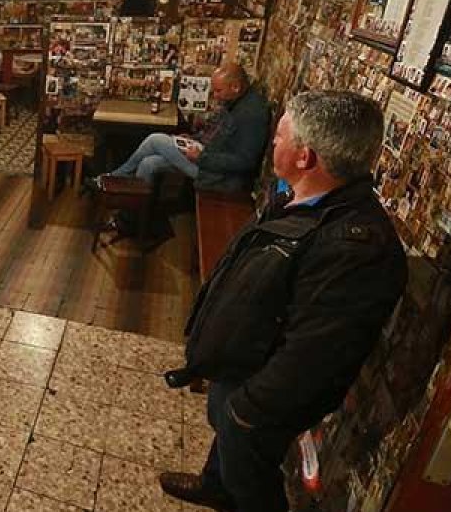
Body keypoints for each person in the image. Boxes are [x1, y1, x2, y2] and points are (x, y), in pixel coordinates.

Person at [160, 90, 407, 512]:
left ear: (305, 157)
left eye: (279, 137)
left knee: (252, 478)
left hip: (260, 393)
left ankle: (230, 485)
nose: (272, 144)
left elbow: (315, 355)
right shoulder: (304, 201)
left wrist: (247, 409)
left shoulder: (358, 249)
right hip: (245, 359)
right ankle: (215, 484)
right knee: (230, 453)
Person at [100, 63, 269, 192]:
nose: (214, 96)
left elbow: (245, 162)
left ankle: (112, 177)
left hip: (218, 176)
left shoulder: (251, 114)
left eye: (218, 91)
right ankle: (133, 220)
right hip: (207, 157)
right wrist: (194, 139)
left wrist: (201, 157)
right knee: (148, 164)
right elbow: (215, 135)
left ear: (236, 87)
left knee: (155, 140)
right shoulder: (235, 101)